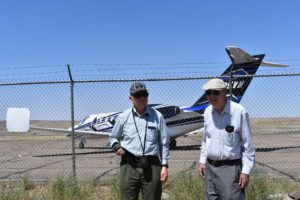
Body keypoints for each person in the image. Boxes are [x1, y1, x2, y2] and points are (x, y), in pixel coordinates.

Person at [109, 81, 169, 200]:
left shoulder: (158, 116)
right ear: (130, 98)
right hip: (129, 165)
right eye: (138, 95)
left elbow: (164, 143)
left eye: (144, 94)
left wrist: (164, 165)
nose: (142, 98)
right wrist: (116, 146)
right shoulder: (123, 117)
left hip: (152, 165)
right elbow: (113, 137)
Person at [198, 78, 255, 200]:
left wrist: (245, 171)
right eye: (208, 93)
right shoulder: (207, 112)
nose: (212, 96)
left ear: (225, 92)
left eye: (216, 92)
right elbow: (206, 139)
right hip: (210, 167)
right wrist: (202, 160)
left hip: (230, 169)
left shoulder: (239, 111)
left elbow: (247, 145)